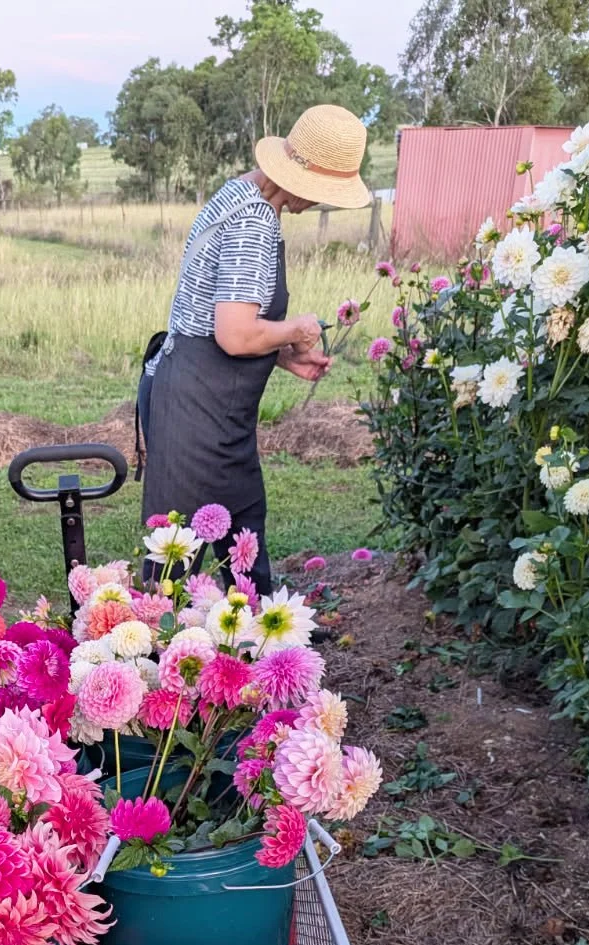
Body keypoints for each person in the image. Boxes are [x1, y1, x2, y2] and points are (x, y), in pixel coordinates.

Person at [140, 103, 371, 595]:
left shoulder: (240, 191)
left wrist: (284, 357)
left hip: (216, 407)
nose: (323, 205)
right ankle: (157, 660)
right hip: (196, 415)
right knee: (173, 568)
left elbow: (220, 319)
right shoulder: (253, 223)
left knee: (245, 544)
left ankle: (266, 644)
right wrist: (296, 329)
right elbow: (234, 335)